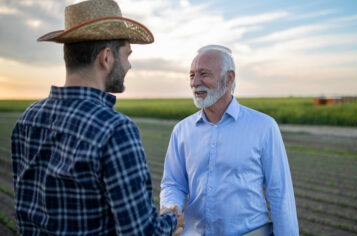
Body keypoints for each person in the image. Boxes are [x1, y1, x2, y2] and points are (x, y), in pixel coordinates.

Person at [11, 0, 184, 235]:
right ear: (106, 58)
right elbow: (141, 232)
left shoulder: (27, 119)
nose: (129, 65)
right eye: (126, 55)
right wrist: (171, 220)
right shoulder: (115, 129)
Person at [160, 45, 299, 235]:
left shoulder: (264, 127)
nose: (195, 82)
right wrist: (172, 206)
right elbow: (173, 183)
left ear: (229, 78)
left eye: (204, 74)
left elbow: (280, 194)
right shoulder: (182, 130)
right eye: (191, 75)